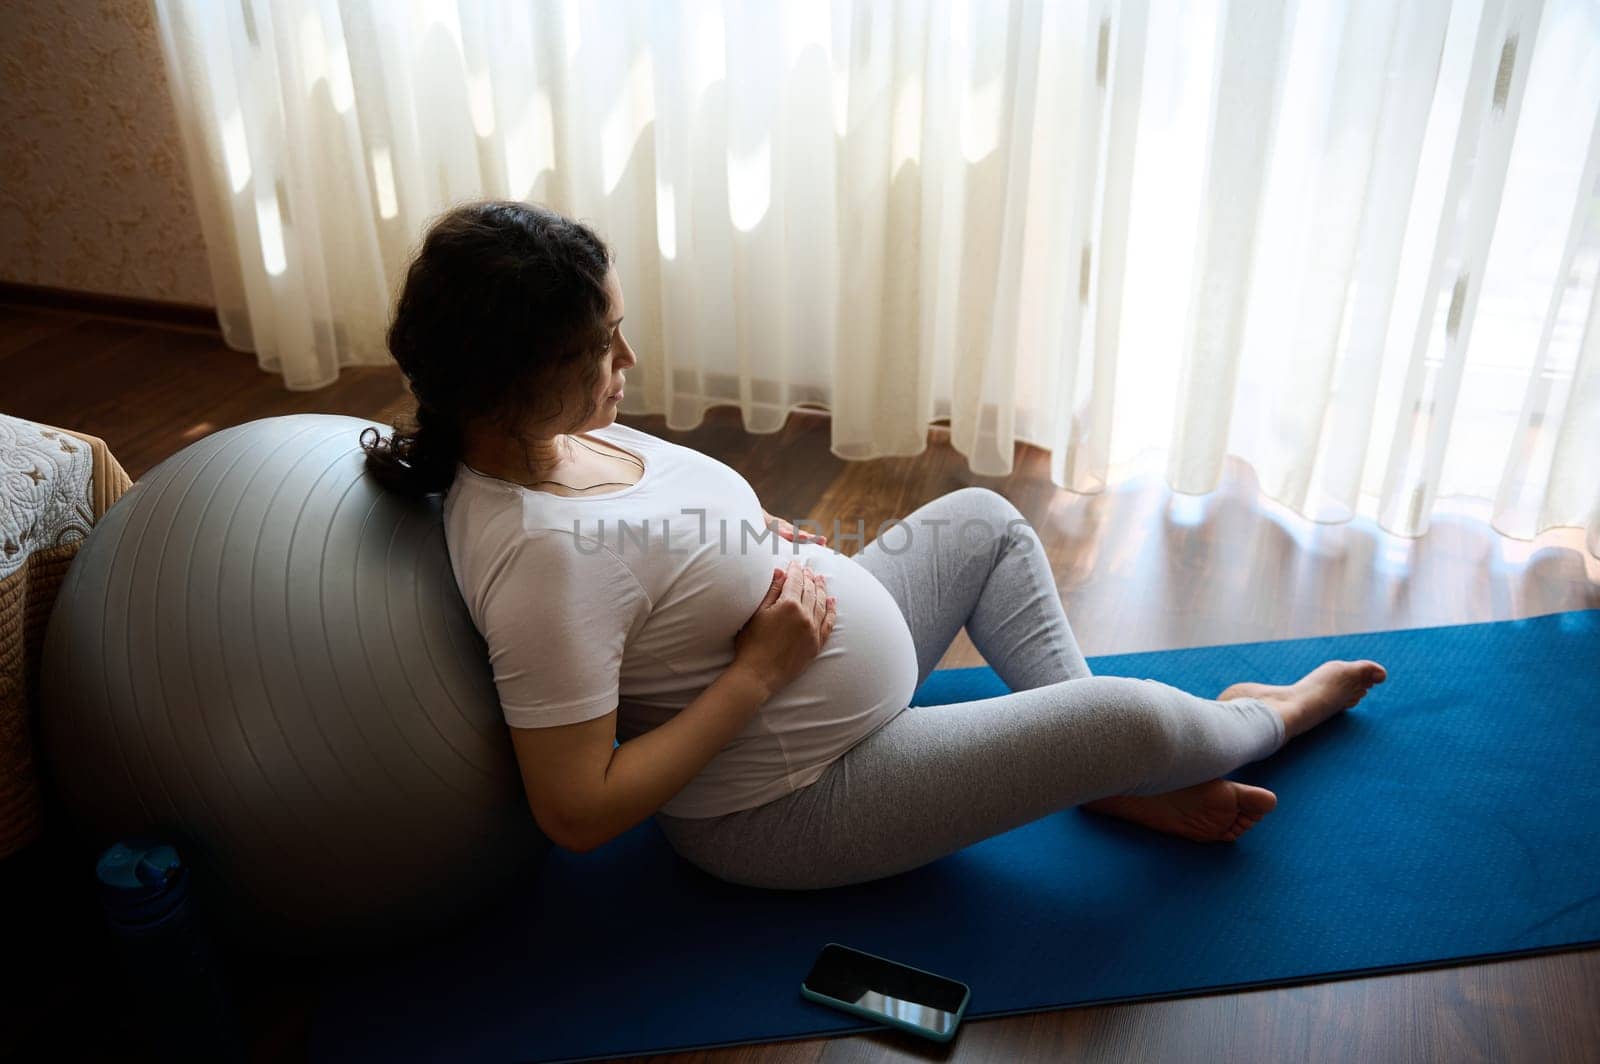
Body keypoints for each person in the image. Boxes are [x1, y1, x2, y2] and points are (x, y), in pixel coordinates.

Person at [361, 200, 1388, 891]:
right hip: (789, 799)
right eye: (597, 348)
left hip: (825, 680)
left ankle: (1106, 777)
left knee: (984, 521)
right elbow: (575, 811)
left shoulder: (558, 432)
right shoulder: (534, 556)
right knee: (1121, 712)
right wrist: (757, 673)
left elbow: (644, 540)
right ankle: (1271, 716)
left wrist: (742, 529)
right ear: (508, 373)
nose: (627, 359)